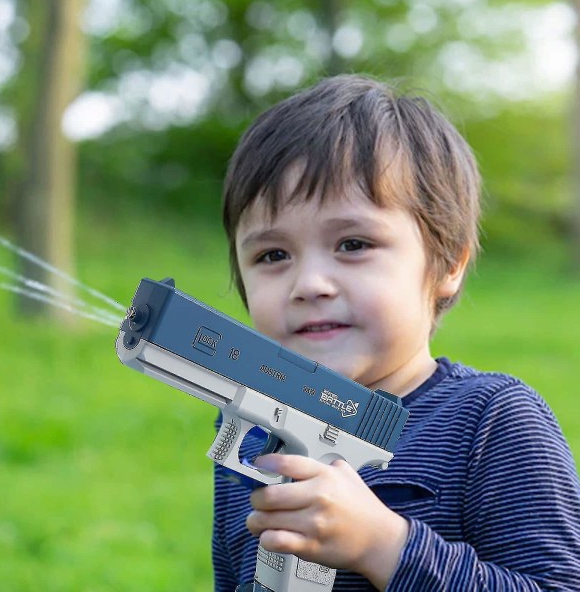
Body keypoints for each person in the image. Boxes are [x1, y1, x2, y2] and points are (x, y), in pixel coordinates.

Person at [212, 75, 580, 591]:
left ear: (448, 263)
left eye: (353, 244)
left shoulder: (491, 421)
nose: (309, 284)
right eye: (273, 255)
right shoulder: (256, 437)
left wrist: (383, 545)